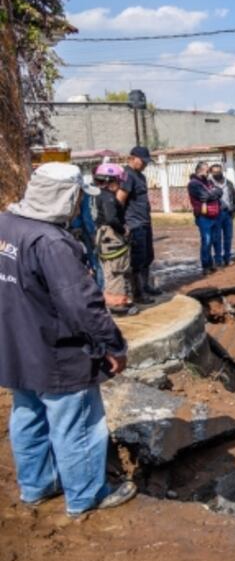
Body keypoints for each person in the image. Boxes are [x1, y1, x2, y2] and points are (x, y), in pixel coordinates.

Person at [0, 162, 137, 518]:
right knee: (76, 424)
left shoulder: (6, 226)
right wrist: (113, 344)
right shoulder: (52, 242)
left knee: (27, 416)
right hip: (57, 352)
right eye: (78, 197)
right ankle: (86, 496)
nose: (80, 205)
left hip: (16, 347)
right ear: (66, 197)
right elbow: (82, 305)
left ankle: (37, 486)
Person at [117, 146, 161, 305]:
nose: (145, 165)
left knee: (148, 257)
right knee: (137, 260)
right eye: (143, 162)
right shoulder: (127, 175)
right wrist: (123, 224)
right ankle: (138, 294)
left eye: (147, 162)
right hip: (134, 224)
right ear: (132, 158)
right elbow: (119, 200)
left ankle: (146, 285)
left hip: (144, 222)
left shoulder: (140, 176)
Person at [93, 162, 138, 316]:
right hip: (111, 238)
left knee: (110, 271)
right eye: (117, 181)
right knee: (117, 271)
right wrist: (123, 230)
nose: (119, 185)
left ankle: (119, 301)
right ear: (108, 180)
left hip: (102, 238)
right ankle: (118, 306)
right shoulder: (108, 198)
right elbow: (111, 218)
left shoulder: (95, 195)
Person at [187, 161, 223, 276]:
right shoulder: (193, 184)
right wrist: (213, 193)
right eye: (207, 170)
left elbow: (219, 191)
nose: (209, 173)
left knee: (213, 240)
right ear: (200, 170)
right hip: (203, 217)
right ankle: (205, 266)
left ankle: (211, 264)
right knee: (206, 241)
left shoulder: (207, 182)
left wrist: (213, 193)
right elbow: (205, 196)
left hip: (214, 215)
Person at [209, 163, 235, 267]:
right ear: (211, 173)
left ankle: (227, 258)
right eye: (215, 172)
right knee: (216, 238)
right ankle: (218, 260)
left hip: (228, 214)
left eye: (219, 171)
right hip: (216, 214)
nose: (217, 173)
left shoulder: (229, 183)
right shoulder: (209, 184)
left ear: (222, 171)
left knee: (228, 237)